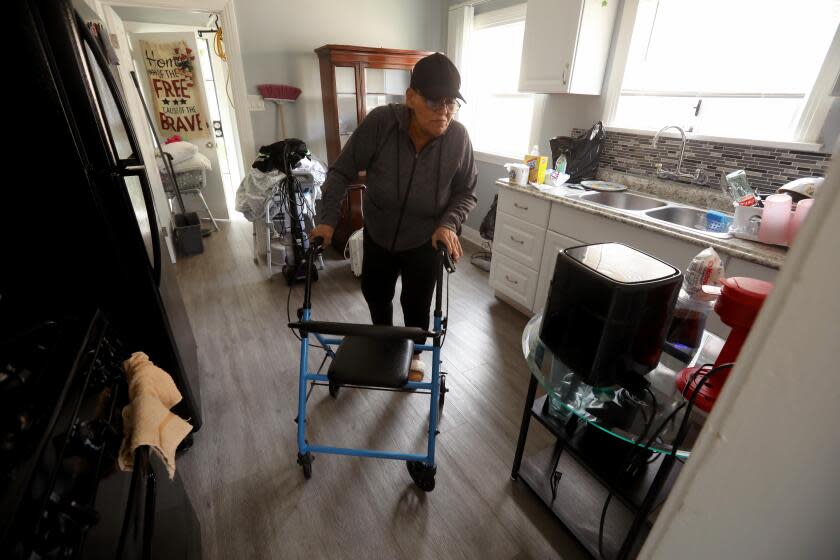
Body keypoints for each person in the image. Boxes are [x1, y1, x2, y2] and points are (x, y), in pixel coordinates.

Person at [310, 52, 478, 381]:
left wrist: (448, 223)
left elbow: (466, 191)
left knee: (416, 305)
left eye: (451, 103)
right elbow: (341, 171)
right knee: (376, 294)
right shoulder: (381, 123)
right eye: (434, 103)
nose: (444, 113)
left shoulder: (458, 138)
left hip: (425, 238)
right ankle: (384, 343)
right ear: (411, 97)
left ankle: (414, 354)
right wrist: (328, 219)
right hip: (379, 231)